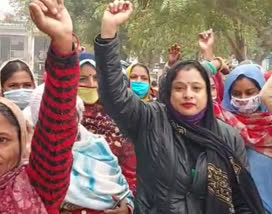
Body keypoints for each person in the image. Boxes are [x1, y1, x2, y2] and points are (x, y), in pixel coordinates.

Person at [94, 1, 265, 213]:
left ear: (208, 93)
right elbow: (113, 95)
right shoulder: (150, 121)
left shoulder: (228, 138)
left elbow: (241, 200)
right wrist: (109, 31)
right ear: (168, 93)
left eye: (196, 88)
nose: (188, 94)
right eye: (180, 88)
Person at [0, 0, 79, 213]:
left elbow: (57, 129)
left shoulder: (38, 188)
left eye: (2, 139)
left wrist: (62, 42)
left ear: (22, 142)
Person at [29, 85, 134, 214]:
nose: (63, 123)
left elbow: (123, 191)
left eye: (68, 114)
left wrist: (127, 209)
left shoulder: (98, 146)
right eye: (53, 118)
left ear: (78, 115)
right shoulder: (34, 158)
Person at [78, 52, 137, 196]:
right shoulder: (61, 119)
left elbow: (130, 171)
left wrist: (126, 200)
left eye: (96, 78)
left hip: (113, 202)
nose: (91, 84)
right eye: (82, 79)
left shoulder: (119, 117)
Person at [216, 64, 272, 213]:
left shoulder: (270, 128)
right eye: (236, 93)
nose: (243, 99)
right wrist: (213, 62)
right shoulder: (222, 125)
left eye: (250, 92)